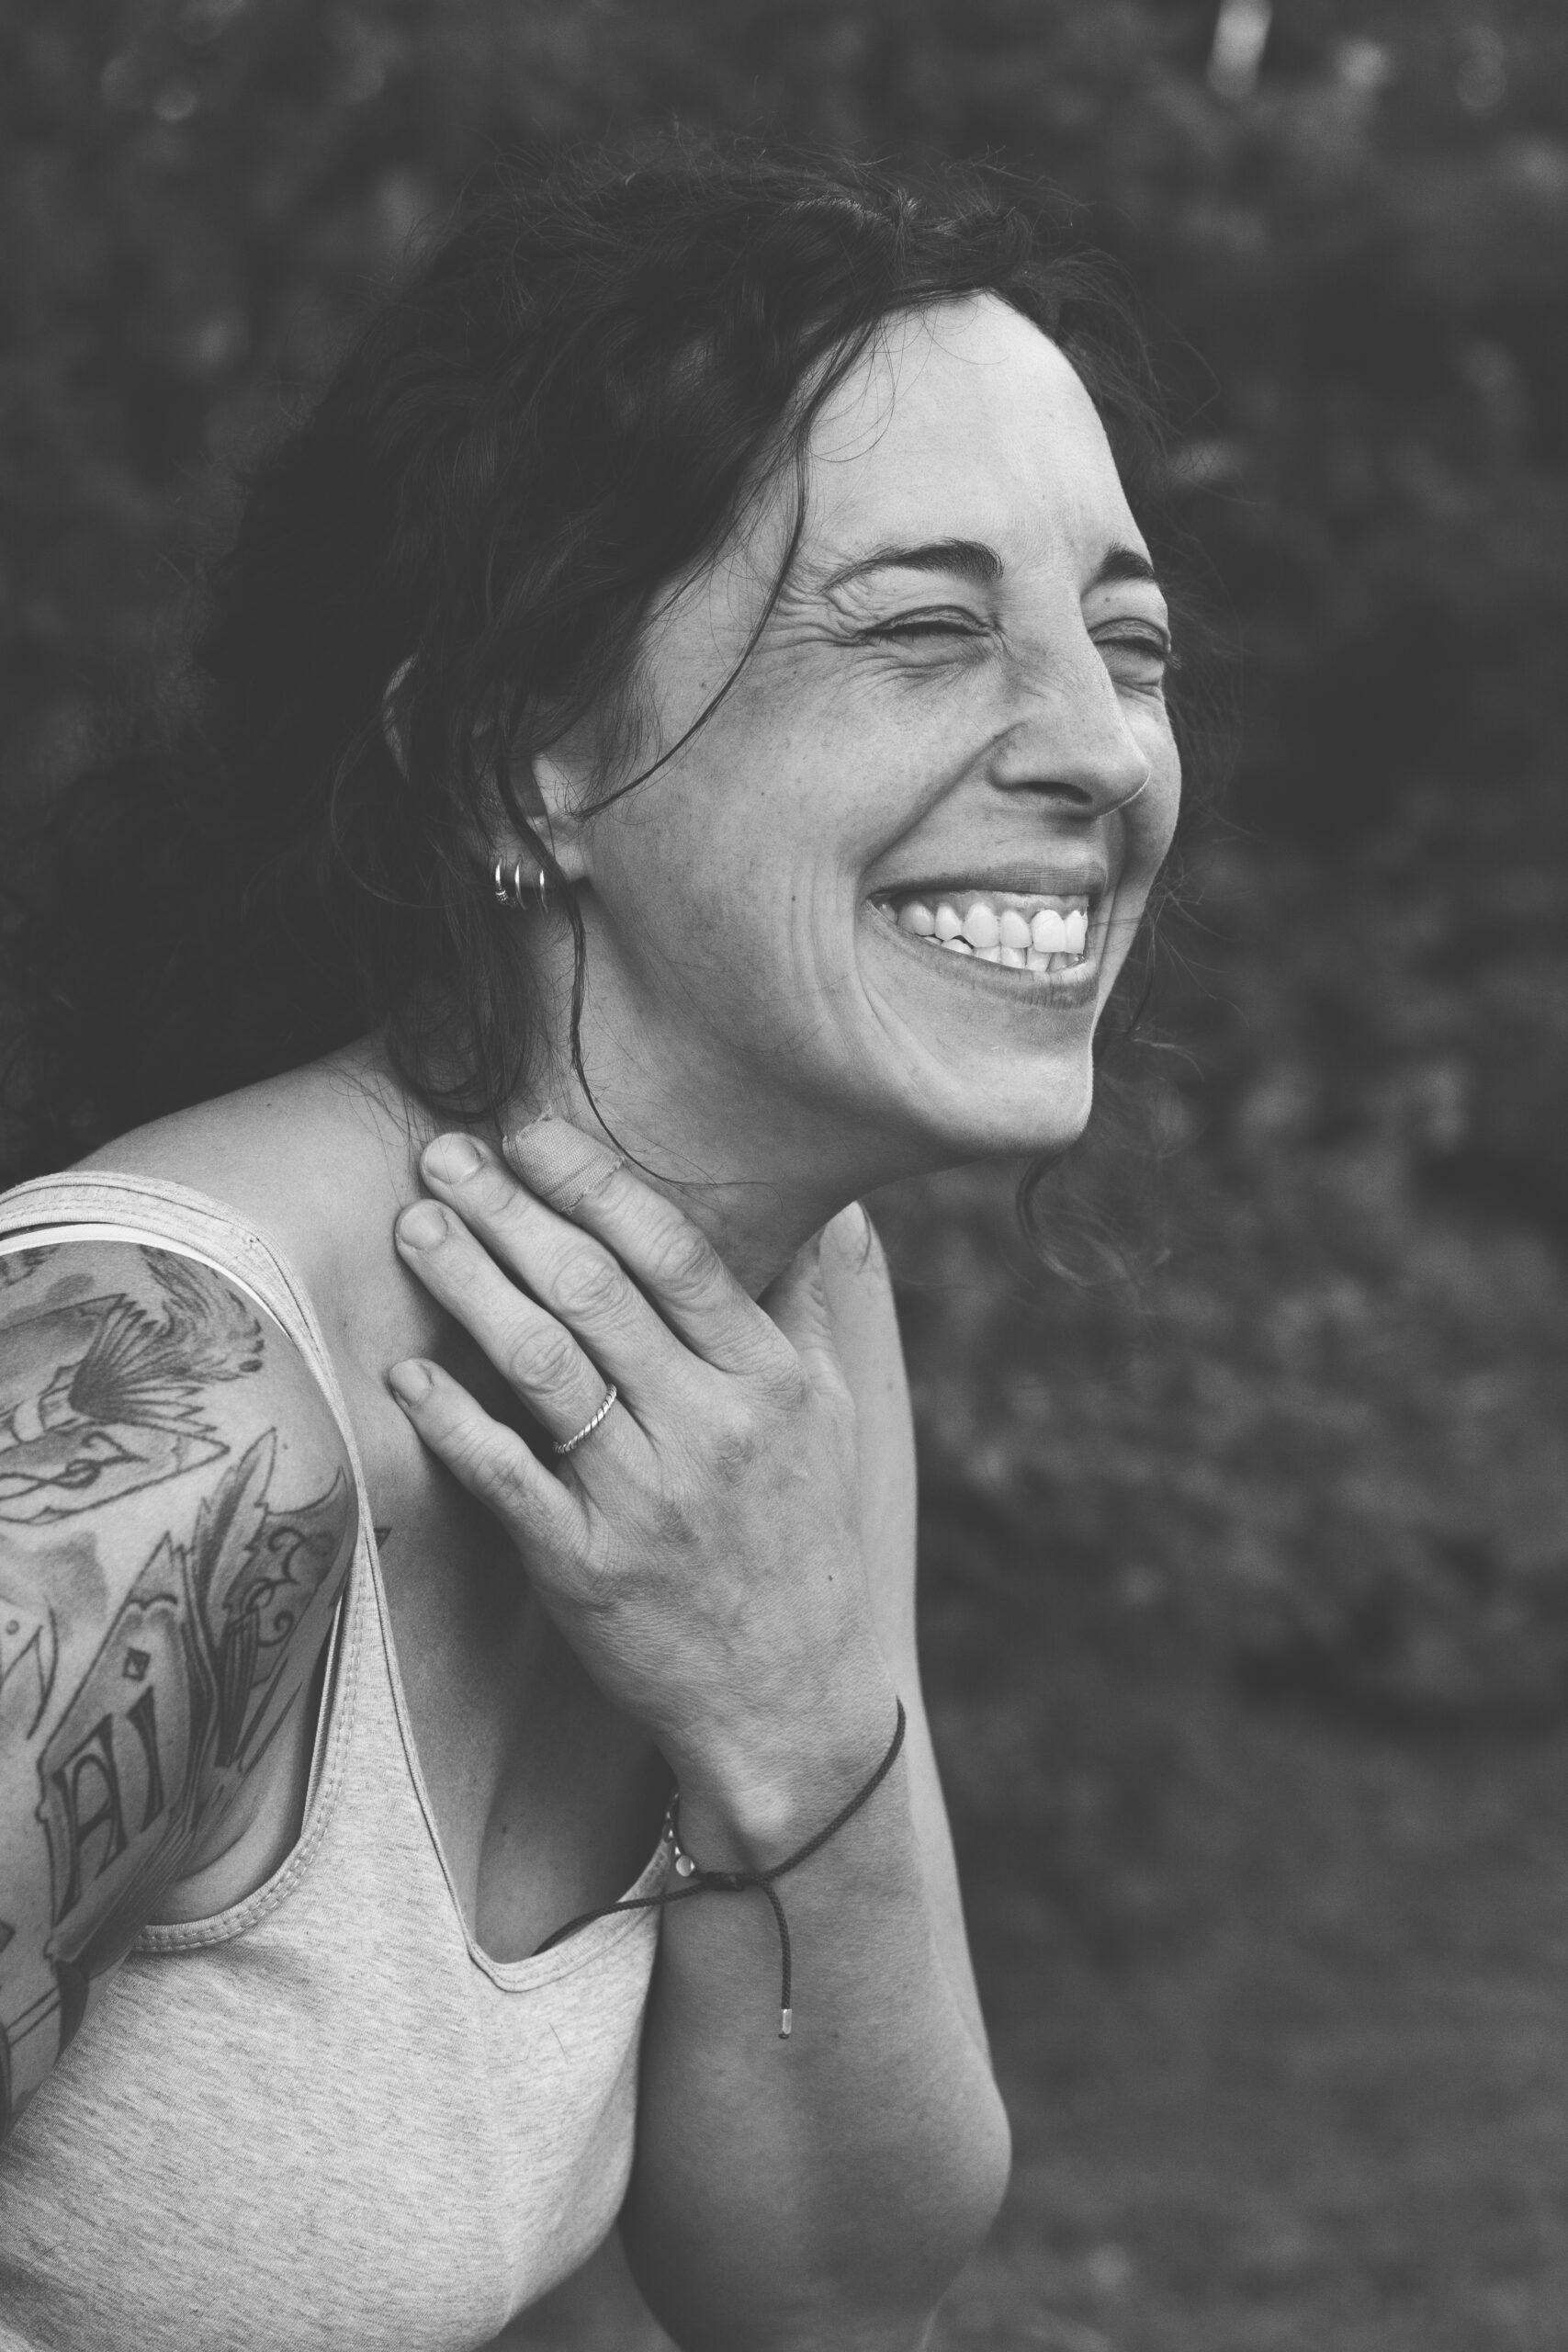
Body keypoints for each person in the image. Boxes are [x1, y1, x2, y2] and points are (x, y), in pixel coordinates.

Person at [0, 144, 1184, 2349]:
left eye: (1127, 642)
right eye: (924, 629)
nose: (1099, 749)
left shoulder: (790, 1317)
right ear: (511, 766)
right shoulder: (140, 1412)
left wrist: (792, 1714)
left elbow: (822, 2285)